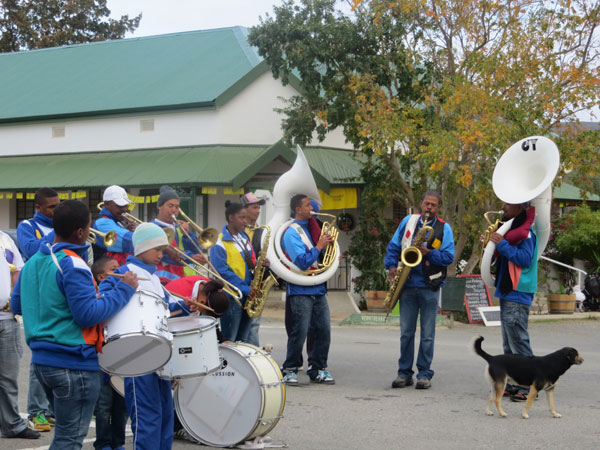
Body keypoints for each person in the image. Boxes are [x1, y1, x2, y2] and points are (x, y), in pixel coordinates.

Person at [11, 200, 139, 449]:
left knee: (64, 438)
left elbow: (18, 305)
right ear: (80, 232)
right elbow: (87, 315)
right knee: (69, 441)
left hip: (42, 362)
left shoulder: (33, 261)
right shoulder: (73, 263)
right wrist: (123, 290)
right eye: (89, 227)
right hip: (73, 363)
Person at [99, 223, 196, 450]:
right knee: (146, 415)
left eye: (163, 249)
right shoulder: (124, 272)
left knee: (164, 411)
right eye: (157, 249)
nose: (161, 254)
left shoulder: (154, 278)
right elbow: (104, 298)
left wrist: (184, 307)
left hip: (159, 351)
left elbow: (164, 309)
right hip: (135, 352)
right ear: (141, 248)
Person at [385, 190, 454, 390]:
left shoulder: (444, 228)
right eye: (426, 203)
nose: (429, 207)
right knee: (406, 333)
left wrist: (430, 253)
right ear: (421, 204)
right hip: (407, 285)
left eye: (433, 205)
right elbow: (394, 246)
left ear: (438, 207)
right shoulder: (408, 221)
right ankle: (404, 373)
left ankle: (424, 374)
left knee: (427, 334)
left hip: (430, 287)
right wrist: (391, 266)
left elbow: (449, 257)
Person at [16, 187, 60, 431]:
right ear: (38, 208)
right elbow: (31, 250)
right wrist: (60, 229)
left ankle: (51, 409)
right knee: (41, 352)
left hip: (57, 289)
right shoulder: (27, 225)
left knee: (58, 351)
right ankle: (37, 412)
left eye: (58, 206)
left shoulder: (61, 226)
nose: (56, 210)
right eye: (52, 207)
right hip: (36, 290)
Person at [280, 194, 335, 385]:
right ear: (298, 209)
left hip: (318, 287)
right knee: (299, 331)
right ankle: (290, 368)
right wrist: (320, 246)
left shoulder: (313, 228)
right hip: (300, 288)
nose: (311, 208)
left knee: (324, 330)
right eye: (307, 205)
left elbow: (321, 257)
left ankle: (318, 368)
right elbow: (302, 262)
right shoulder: (291, 232)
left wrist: (330, 251)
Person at [489, 202, 537, 402]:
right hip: (510, 292)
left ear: (519, 207)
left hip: (517, 291)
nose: (503, 207)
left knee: (518, 341)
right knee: (509, 343)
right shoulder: (514, 230)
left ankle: (528, 386)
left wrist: (501, 244)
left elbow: (525, 259)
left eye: (508, 204)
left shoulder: (526, 234)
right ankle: (515, 382)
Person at [0, 231, 40, 439]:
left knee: (8, 377)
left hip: (7, 317)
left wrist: (13, 298)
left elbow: (18, 271)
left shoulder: (5, 238)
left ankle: (11, 425)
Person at [91, 257, 128, 450]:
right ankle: (103, 442)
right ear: (101, 277)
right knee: (104, 404)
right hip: (105, 356)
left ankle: (118, 441)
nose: (120, 271)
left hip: (124, 355)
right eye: (114, 269)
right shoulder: (99, 297)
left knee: (122, 403)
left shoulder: (126, 296)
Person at [210, 201, 257, 343]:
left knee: (243, 341)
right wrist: (245, 288)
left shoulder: (244, 238)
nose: (245, 221)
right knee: (230, 341)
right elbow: (221, 272)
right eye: (241, 217)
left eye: (246, 217)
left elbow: (249, 263)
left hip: (248, 294)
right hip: (232, 297)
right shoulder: (219, 242)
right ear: (231, 218)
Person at [151, 186, 207, 283]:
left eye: (177, 207)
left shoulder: (180, 228)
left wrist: (187, 234)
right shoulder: (152, 228)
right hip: (163, 280)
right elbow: (164, 254)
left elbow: (196, 250)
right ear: (159, 206)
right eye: (170, 206)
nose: (174, 210)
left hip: (185, 279)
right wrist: (190, 257)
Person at [240, 192, 267, 347]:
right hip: (239, 282)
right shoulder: (236, 230)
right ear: (244, 209)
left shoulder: (262, 231)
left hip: (256, 283)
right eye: (254, 207)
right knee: (238, 325)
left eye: (258, 208)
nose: (258, 211)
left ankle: (254, 354)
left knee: (254, 324)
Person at [94, 185, 136, 265]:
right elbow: (129, 242)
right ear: (106, 204)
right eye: (120, 206)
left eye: (126, 205)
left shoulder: (117, 222)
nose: (124, 209)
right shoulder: (102, 223)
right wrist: (141, 231)